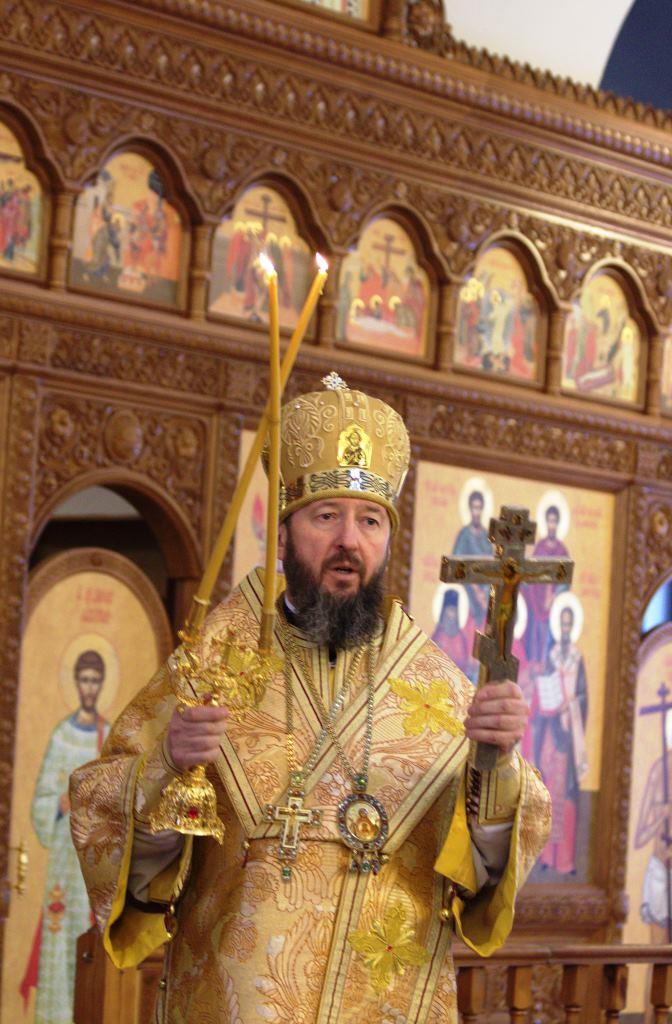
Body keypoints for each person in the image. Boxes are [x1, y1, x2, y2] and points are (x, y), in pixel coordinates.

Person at [71, 376, 550, 1023]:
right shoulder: (214, 664)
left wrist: (495, 766)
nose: (349, 540)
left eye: (370, 520)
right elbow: (116, 839)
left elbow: (483, 881)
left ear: (387, 539)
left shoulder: (437, 691)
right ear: (285, 531)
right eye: (327, 517)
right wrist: (166, 766)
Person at [22, 650, 109, 1023]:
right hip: (62, 860)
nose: (89, 687)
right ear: (76, 682)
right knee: (59, 935)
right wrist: (59, 803)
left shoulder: (108, 735)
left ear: (101, 684)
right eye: (84, 679)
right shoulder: (61, 735)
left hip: (92, 861)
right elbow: (41, 800)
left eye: (95, 680)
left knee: (87, 934)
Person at [533, 603, 588, 875]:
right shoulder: (551, 657)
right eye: (562, 624)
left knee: (566, 795)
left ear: (572, 627)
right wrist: (549, 700)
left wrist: (572, 705)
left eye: (569, 625)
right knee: (547, 793)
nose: (565, 629)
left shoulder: (578, 659)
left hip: (569, 733)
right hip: (551, 733)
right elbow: (543, 691)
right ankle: (545, 857)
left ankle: (564, 862)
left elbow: (584, 696)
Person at [634, 710, 672, 943]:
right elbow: (639, 839)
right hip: (660, 870)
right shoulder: (659, 771)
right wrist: (659, 819)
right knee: (656, 948)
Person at [525, 503, 570, 665]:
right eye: (550, 521)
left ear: (558, 524)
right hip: (537, 600)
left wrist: (554, 595)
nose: (552, 525)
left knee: (549, 635)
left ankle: (546, 664)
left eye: (554, 522)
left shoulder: (562, 551)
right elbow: (532, 574)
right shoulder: (540, 547)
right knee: (535, 631)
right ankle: (534, 664)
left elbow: (566, 580)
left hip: (554, 604)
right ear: (546, 523)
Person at [452, 488, 492, 630]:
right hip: (468, 587)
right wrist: (475, 589)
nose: (477, 512)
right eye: (474, 508)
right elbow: (456, 564)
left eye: (479, 508)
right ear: (470, 509)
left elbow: (492, 565)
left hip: (485, 588)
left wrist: (484, 591)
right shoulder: (464, 535)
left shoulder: (487, 536)